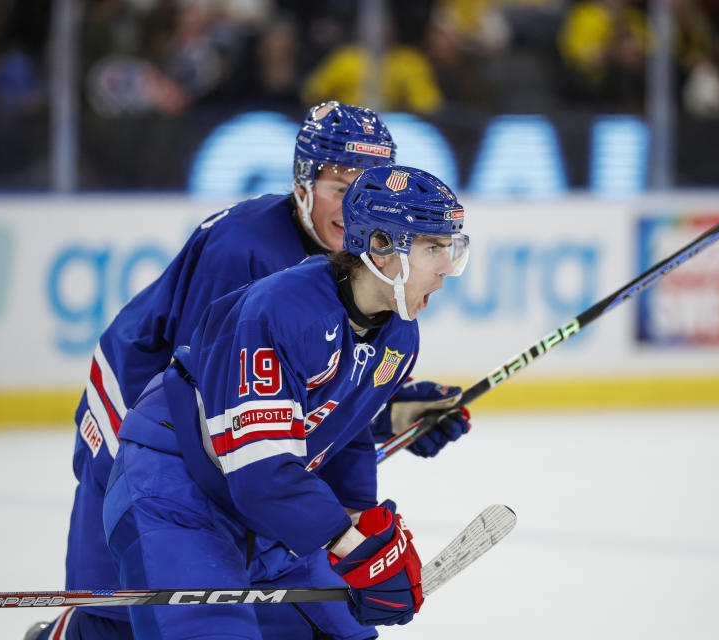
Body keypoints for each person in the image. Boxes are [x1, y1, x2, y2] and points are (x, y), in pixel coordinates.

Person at [27, 104, 470, 640]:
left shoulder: (385, 313)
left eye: (363, 185)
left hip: (233, 451)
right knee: (127, 611)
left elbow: (309, 404)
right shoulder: (247, 253)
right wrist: (346, 543)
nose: (352, 200)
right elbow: (221, 404)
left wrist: (389, 413)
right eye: (338, 184)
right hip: (141, 426)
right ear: (302, 183)